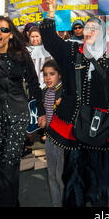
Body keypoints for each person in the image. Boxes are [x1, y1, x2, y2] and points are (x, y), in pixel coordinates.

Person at [39, 0, 109, 207]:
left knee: (98, 183)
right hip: (73, 125)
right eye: (87, 28)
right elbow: (51, 41)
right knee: (73, 181)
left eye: (94, 28)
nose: (89, 32)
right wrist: (51, 14)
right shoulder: (71, 51)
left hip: (101, 128)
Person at [0, 16, 45, 207]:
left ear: (10, 35)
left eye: (4, 30)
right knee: (0, 166)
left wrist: (42, 112)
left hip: (17, 115)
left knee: (9, 163)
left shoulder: (21, 56)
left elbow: (34, 85)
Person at [42, 59, 64, 207]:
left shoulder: (64, 91)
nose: (48, 78)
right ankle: (56, 203)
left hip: (62, 139)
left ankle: (65, 201)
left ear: (60, 75)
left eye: (52, 74)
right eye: (45, 75)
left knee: (60, 175)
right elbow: (44, 114)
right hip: (49, 137)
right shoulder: (44, 92)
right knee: (51, 174)